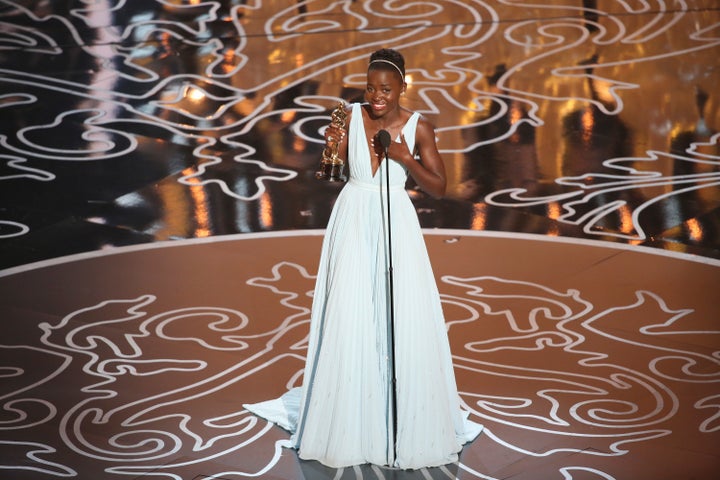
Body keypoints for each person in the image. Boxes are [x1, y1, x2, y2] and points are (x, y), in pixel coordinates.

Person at [243, 48, 482, 470]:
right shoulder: (348, 116)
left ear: (403, 88)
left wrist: (406, 158)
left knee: (397, 312)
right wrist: (330, 149)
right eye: (370, 87)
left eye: (386, 89)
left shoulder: (418, 127)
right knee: (351, 311)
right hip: (353, 218)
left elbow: (440, 188)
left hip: (396, 224)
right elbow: (329, 169)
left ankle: (393, 411)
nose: (377, 96)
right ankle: (353, 414)